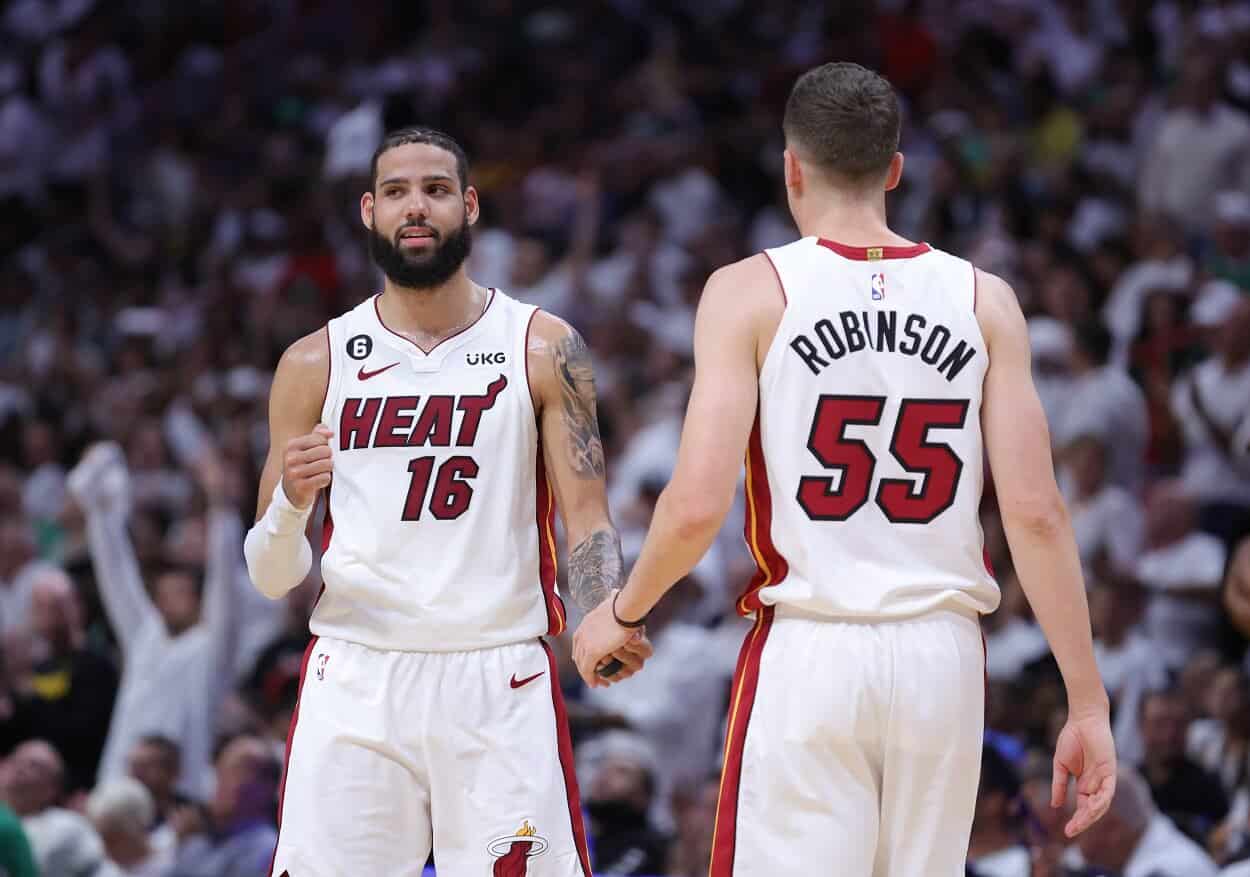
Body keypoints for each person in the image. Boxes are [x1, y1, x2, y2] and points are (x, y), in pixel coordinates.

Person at [573, 62, 1116, 875]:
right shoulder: (985, 299)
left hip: (813, 649)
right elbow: (1036, 512)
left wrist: (623, 609)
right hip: (943, 657)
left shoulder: (750, 291)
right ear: (895, 168)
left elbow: (694, 506)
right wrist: (1088, 698)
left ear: (791, 165)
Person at [245, 126, 650, 876]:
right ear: (369, 211)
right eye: (396, 192)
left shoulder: (542, 343)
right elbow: (272, 575)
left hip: (498, 674)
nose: (416, 207)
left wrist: (600, 613)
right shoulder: (313, 361)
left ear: (468, 207)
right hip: (358, 673)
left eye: (435, 190)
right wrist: (291, 504)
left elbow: (587, 515)